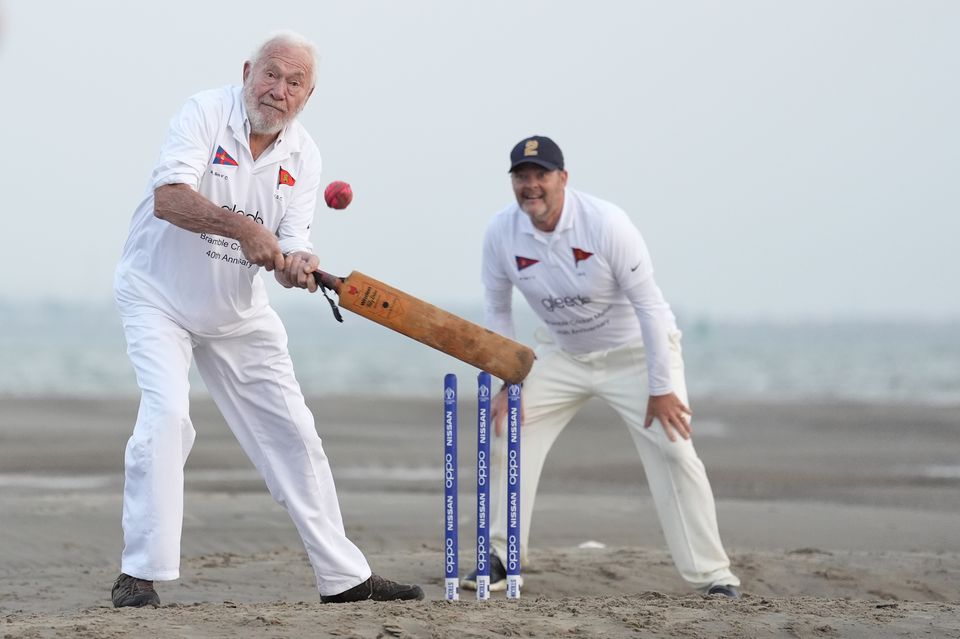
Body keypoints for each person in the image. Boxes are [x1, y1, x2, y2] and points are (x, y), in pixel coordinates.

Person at [111, 32, 423, 607]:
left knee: (296, 433)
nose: (279, 91)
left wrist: (297, 263)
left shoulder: (305, 155)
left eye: (295, 83)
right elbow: (168, 198)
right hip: (158, 295)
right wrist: (248, 230)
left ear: (309, 94)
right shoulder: (204, 112)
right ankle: (140, 572)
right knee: (168, 416)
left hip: (238, 312)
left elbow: (290, 244)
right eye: (272, 75)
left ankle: (344, 578)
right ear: (249, 70)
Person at [461, 135, 741, 598]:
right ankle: (501, 559)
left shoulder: (606, 223)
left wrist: (661, 386)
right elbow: (498, 311)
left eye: (541, 175)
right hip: (562, 353)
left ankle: (714, 575)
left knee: (674, 450)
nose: (531, 185)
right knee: (508, 430)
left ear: (563, 179)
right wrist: (508, 383)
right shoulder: (501, 232)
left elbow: (650, 308)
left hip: (637, 354)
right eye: (521, 177)